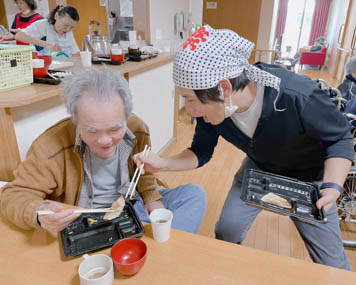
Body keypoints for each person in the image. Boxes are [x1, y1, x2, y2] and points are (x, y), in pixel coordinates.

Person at [133, 25, 354, 270]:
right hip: (259, 166)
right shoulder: (214, 112)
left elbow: (340, 138)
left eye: (191, 100)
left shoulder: (297, 96)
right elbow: (200, 152)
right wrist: (162, 163)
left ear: (224, 88)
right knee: (227, 229)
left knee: (334, 266)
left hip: (310, 178)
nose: (190, 110)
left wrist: (333, 187)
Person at [0, 68, 206, 234]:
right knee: (143, 233)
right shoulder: (50, 146)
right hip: (92, 216)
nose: (105, 140)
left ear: (126, 116)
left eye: (116, 128)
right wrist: (39, 212)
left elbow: (143, 173)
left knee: (194, 195)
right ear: (76, 120)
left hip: (133, 202)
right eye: (92, 131)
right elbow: (14, 194)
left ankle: (159, 247)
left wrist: (152, 197)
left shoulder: (137, 128)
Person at [14, 5, 80, 56]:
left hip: (63, 68)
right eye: (66, 25)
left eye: (71, 27)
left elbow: (74, 53)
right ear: (56, 16)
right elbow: (19, 35)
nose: (68, 29)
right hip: (43, 68)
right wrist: (46, 44)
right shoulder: (42, 25)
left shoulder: (68, 32)